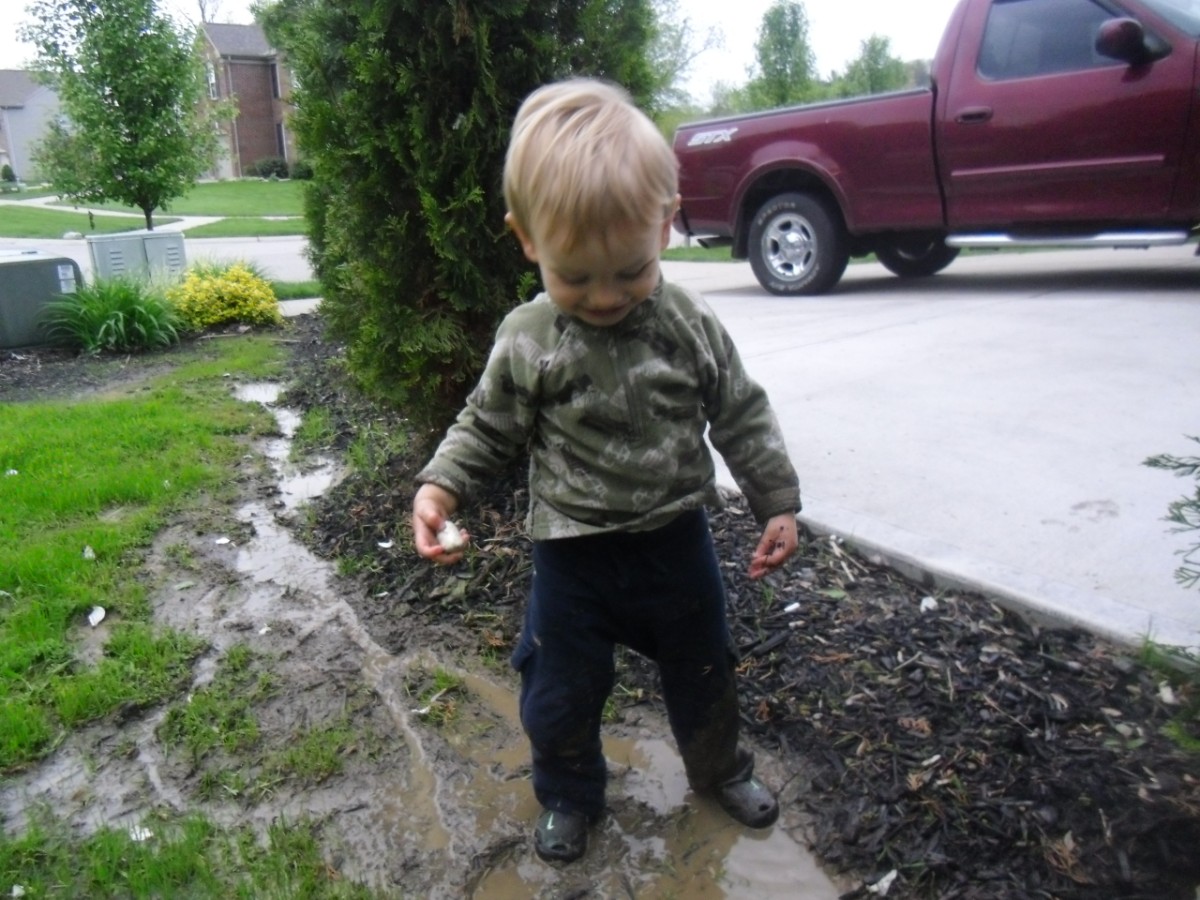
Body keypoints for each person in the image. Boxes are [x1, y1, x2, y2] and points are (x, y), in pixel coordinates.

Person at [411, 78, 801, 864]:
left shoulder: (687, 323)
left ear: (665, 223)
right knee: (558, 692)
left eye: (629, 271)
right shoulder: (530, 337)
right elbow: (487, 423)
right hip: (573, 556)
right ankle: (568, 793)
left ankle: (720, 768)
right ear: (527, 239)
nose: (604, 297)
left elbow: (739, 409)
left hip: (675, 543)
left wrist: (776, 502)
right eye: (576, 277)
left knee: (705, 670)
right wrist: (440, 487)